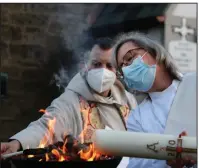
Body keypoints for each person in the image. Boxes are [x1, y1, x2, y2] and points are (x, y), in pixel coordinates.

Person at [0, 38, 137, 162]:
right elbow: (46, 127)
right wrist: (17, 143)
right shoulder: (71, 100)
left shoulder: (128, 100)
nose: (103, 71)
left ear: (117, 69)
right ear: (85, 66)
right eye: (96, 64)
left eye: (109, 65)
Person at [111, 32, 197, 168]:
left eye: (130, 57)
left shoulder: (194, 83)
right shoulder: (137, 118)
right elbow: (138, 164)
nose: (127, 69)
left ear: (154, 53)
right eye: (122, 67)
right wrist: (168, 160)